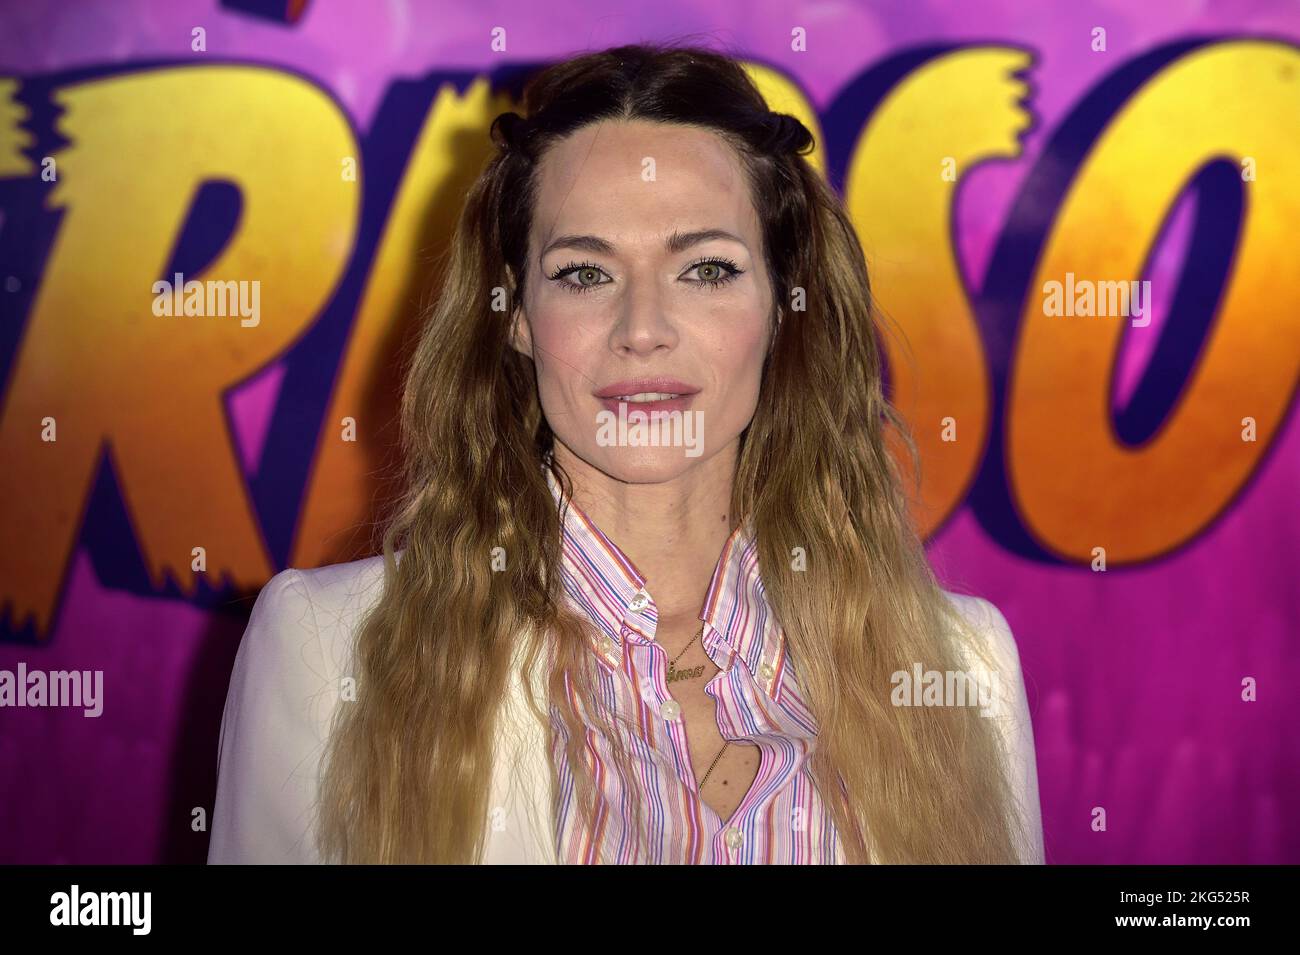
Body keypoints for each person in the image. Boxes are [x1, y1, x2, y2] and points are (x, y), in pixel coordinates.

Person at [208, 42, 1043, 865]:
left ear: (784, 303)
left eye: (707, 268)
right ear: (516, 314)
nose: (642, 329)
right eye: (584, 274)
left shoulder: (961, 666)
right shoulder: (330, 650)